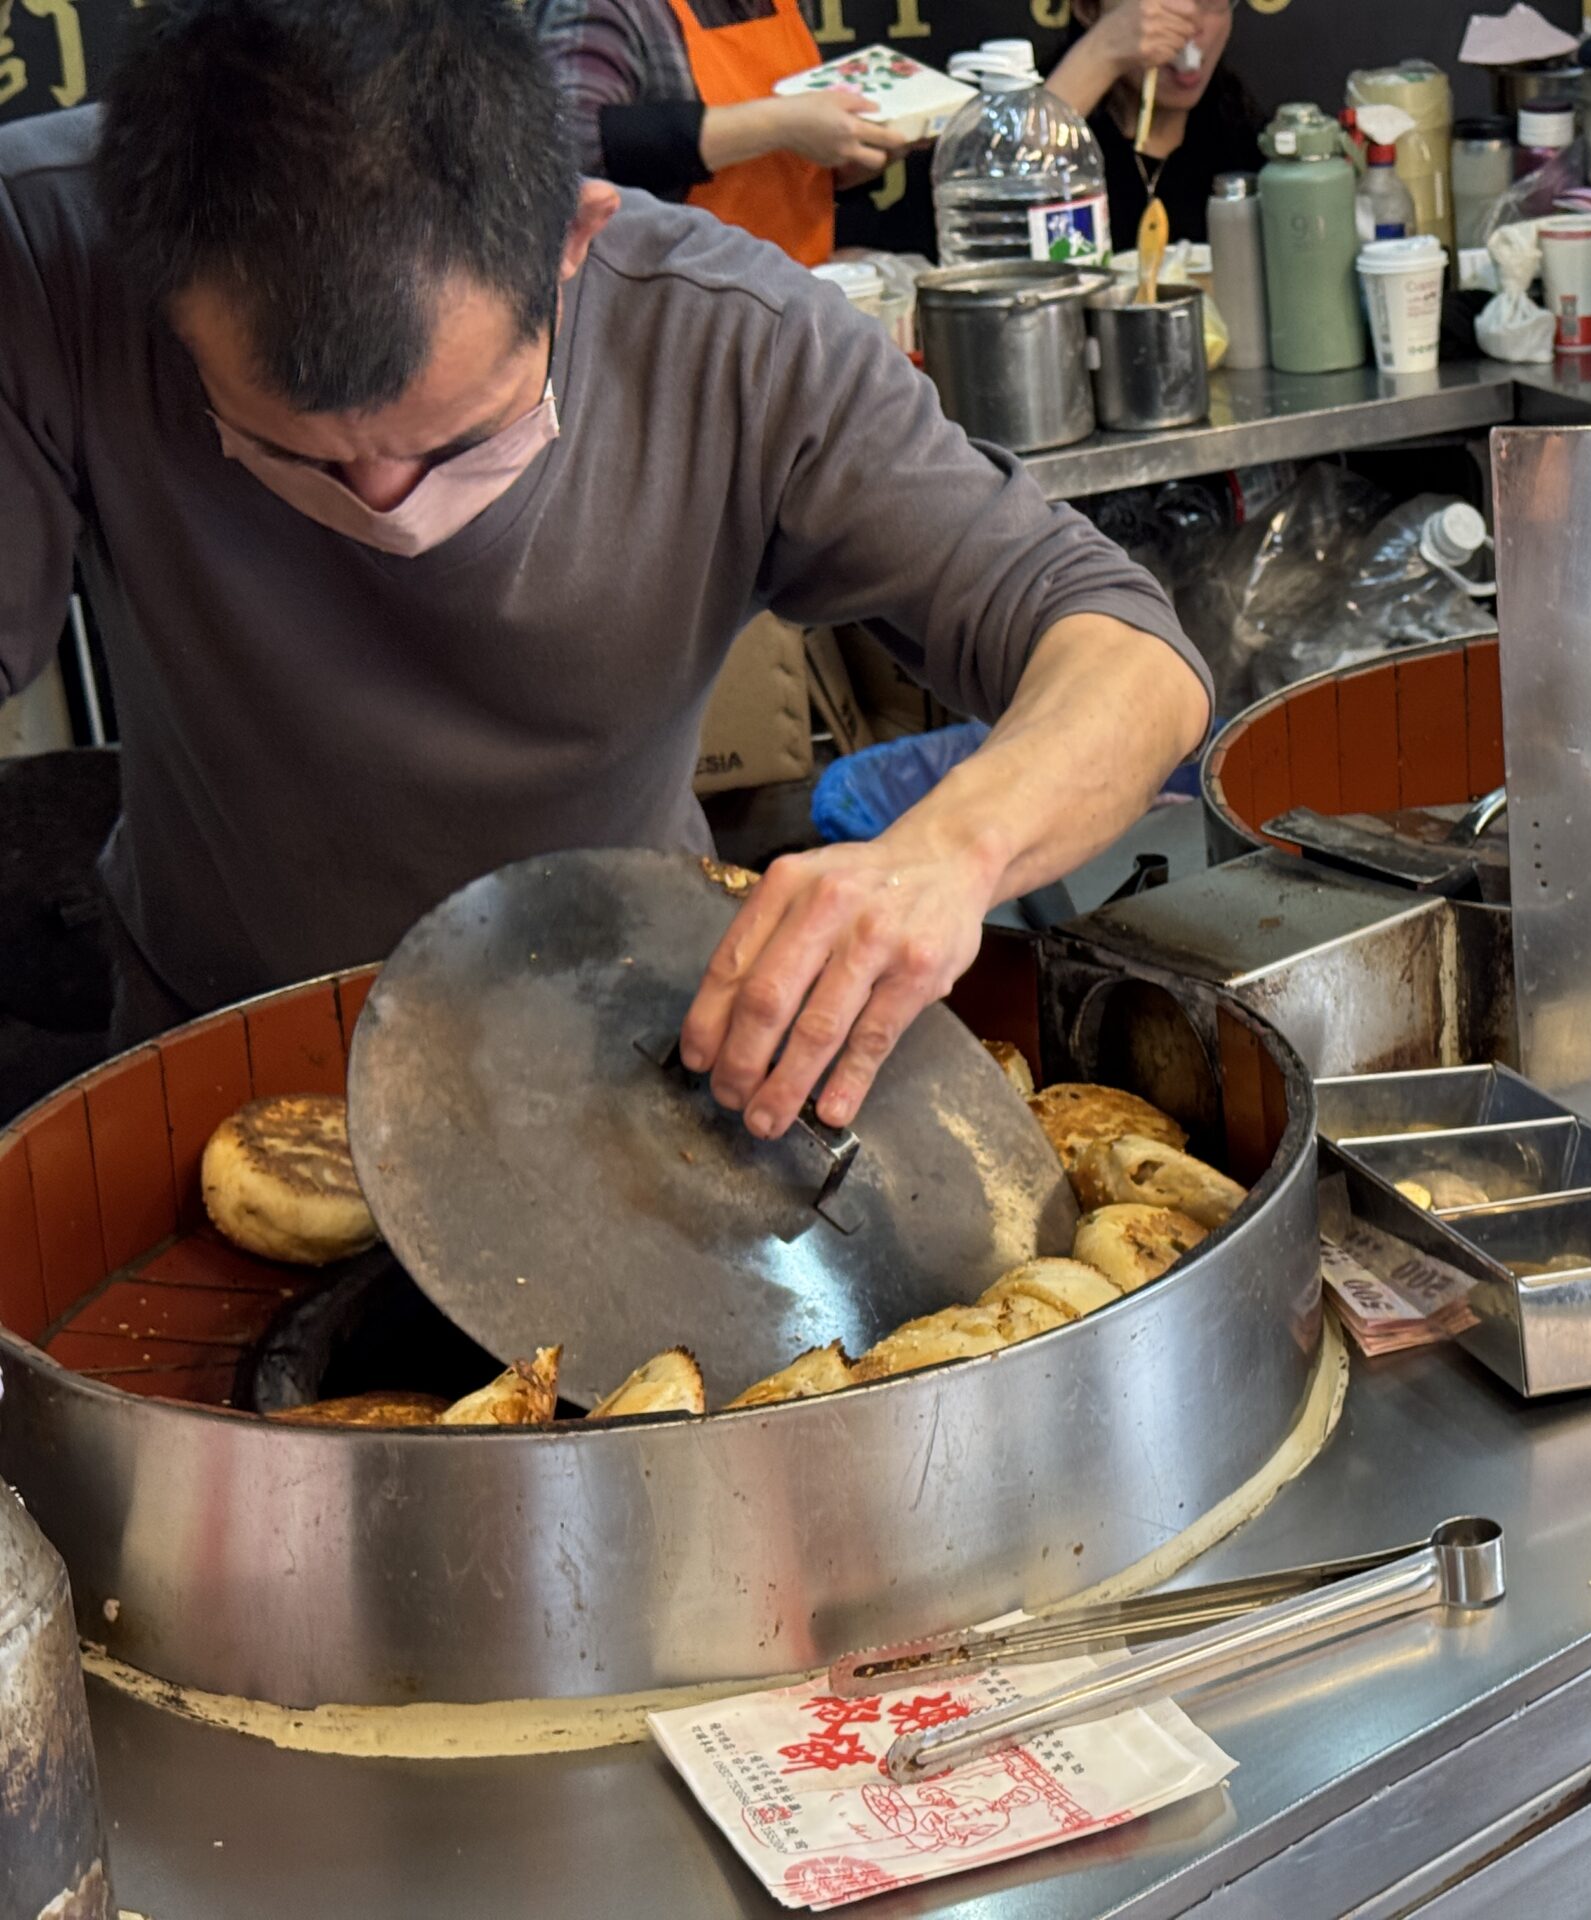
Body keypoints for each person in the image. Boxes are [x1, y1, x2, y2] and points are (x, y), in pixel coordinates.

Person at [0, 0, 1211, 1141]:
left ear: (576, 236)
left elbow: (1126, 651)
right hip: (223, 1053)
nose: (382, 505)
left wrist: (951, 854)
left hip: (634, 1060)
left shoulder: (731, 336)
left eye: (457, 437)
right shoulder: (46, 254)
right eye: (288, 453)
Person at [534, 0, 906, 267]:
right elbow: (564, 148)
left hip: (792, 299)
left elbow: (763, 158)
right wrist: (779, 125)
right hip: (672, 317)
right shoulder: (601, 8)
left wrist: (843, 156)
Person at [1048, 0, 1265, 252]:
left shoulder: (1245, 148)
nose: (1189, 27)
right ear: (1088, 9)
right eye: (1161, 6)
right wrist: (1101, 53)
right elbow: (1014, 182)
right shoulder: (1054, 129)